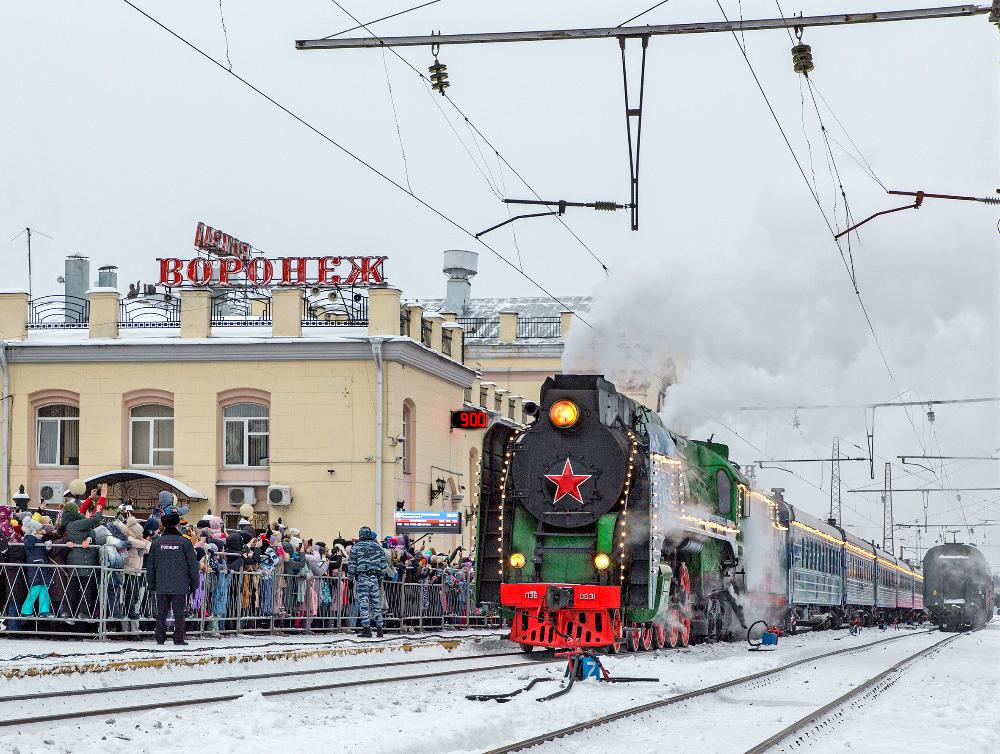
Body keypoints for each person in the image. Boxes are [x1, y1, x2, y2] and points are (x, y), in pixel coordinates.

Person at [145, 510, 199, 646]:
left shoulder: (157, 543)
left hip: (161, 584)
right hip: (180, 584)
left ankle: (160, 637)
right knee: (179, 613)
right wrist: (194, 583)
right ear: (177, 525)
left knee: (161, 612)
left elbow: (150, 565)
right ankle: (179, 638)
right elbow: (192, 565)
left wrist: (151, 584)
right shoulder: (185, 543)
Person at [346, 525, 388, 638]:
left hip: (362, 578)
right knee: (376, 604)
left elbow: (352, 565)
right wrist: (380, 577)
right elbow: (384, 564)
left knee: (363, 604)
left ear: (360, 535)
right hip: (374, 578)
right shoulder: (378, 547)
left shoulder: (356, 547)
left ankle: (367, 629)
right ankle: (380, 629)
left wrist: (350, 579)